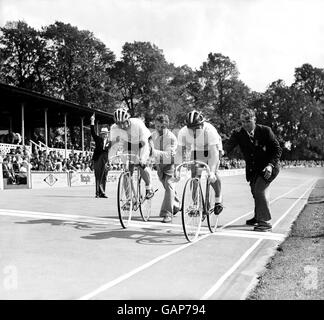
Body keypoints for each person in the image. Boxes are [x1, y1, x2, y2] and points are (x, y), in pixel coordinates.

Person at [224, 108, 282, 232]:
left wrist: (270, 165)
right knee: (255, 192)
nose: (245, 124)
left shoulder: (265, 131)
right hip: (253, 170)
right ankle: (257, 217)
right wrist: (220, 153)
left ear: (254, 119)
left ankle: (264, 222)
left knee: (259, 191)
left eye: (248, 121)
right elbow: (228, 146)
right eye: (242, 122)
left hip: (269, 167)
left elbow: (277, 150)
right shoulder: (238, 133)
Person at [175, 110, 224, 215]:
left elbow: (214, 154)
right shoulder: (183, 132)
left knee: (213, 174)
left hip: (212, 148)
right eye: (191, 129)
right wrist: (177, 170)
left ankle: (218, 200)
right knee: (195, 176)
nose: (194, 132)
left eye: (197, 128)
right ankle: (196, 204)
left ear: (202, 125)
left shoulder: (210, 130)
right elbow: (179, 153)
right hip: (197, 149)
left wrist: (211, 172)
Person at [108, 108, 154, 199]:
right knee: (127, 171)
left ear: (128, 120)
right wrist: (110, 159)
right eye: (118, 124)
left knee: (140, 164)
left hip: (143, 142)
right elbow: (114, 145)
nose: (121, 126)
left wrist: (142, 159)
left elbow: (144, 142)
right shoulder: (114, 128)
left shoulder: (137, 123)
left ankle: (149, 188)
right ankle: (129, 199)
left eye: (123, 123)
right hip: (128, 144)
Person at [151, 114, 180, 223]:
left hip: (170, 165)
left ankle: (167, 214)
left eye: (162, 127)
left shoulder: (171, 137)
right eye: (157, 126)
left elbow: (168, 155)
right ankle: (176, 204)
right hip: (159, 166)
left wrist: (153, 152)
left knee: (169, 186)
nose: (159, 129)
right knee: (169, 189)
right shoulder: (153, 136)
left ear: (166, 125)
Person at [90, 113, 110, 198]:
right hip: (97, 159)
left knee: (104, 176)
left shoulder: (110, 141)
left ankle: (103, 192)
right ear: (101, 134)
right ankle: (97, 193)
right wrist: (92, 121)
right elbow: (92, 131)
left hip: (105, 160)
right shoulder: (98, 139)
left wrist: (110, 162)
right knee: (98, 175)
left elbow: (111, 151)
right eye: (103, 133)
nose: (104, 134)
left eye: (106, 133)